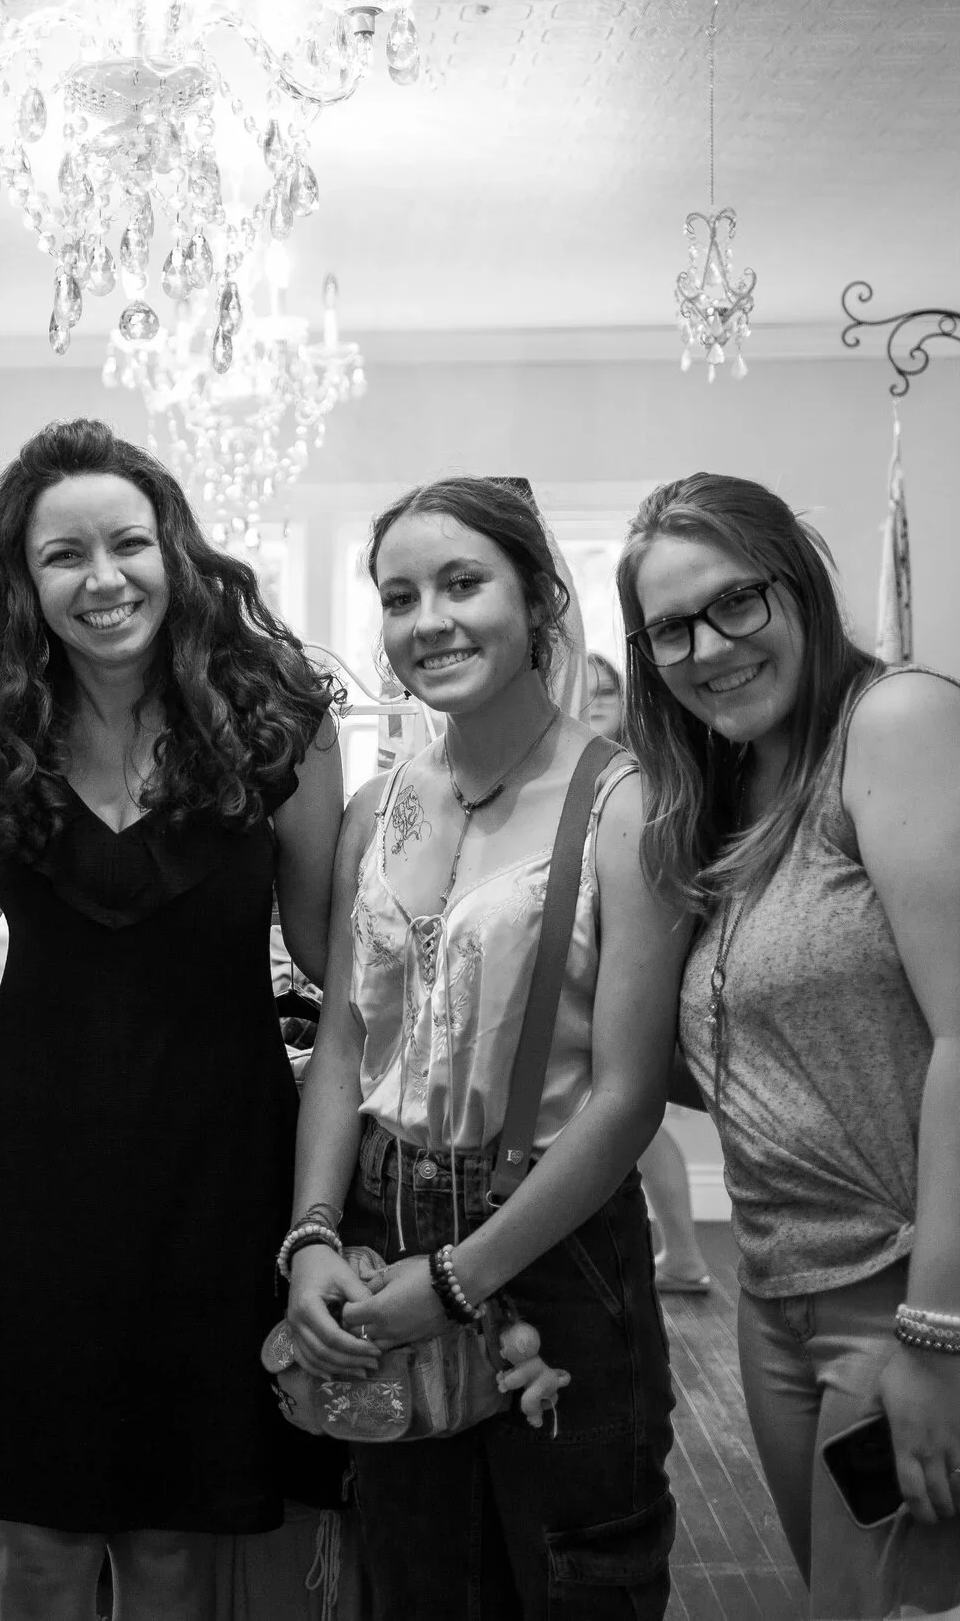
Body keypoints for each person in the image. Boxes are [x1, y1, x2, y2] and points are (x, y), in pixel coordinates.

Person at [617, 473, 960, 1617]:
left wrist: (943, 1327)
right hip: (791, 1286)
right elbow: (749, 1051)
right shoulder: (738, 786)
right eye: (669, 626)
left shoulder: (902, 725)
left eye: (734, 603)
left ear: (800, 583)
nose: (707, 646)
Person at [0, 418, 345, 1621]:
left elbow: (334, 959)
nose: (102, 579)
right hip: (29, 1177)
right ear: (23, 580)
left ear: (175, 551)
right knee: (36, 1543)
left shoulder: (280, 723)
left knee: (171, 1540)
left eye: (128, 543)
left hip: (218, 1166)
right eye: (64, 555)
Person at [284, 478, 688, 1619]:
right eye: (400, 595)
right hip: (373, 1217)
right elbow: (345, 1038)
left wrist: (461, 1278)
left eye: (463, 583)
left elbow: (627, 1095)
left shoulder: (626, 803)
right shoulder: (377, 808)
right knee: (414, 1577)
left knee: (574, 1571)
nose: (430, 620)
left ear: (539, 596)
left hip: (547, 1240)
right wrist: (312, 1234)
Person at [584, 650, 714, 1297]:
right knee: (635, 1114)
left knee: (634, 1111)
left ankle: (685, 1251)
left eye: (605, 690)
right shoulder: (602, 778)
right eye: (584, 693)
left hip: (637, 967)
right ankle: (684, 1252)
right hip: (616, 965)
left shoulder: (642, 779)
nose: (593, 701)